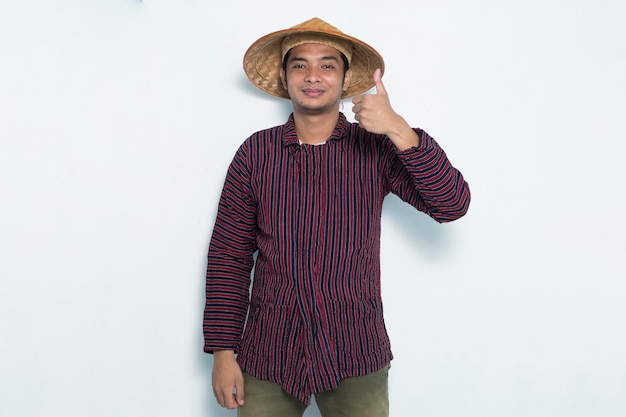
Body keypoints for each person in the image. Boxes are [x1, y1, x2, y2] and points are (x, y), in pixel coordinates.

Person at [204, 17, 471, 417]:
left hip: (354, 350)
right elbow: (230, 256)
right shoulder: (255, 154)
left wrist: (397, 128)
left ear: (346, 79)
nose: (314, 76)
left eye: (328, 65)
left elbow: (451, 204)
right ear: (284, 75)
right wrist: (223, 353)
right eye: (300, 65)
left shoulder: (376, 149)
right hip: (268, 351)